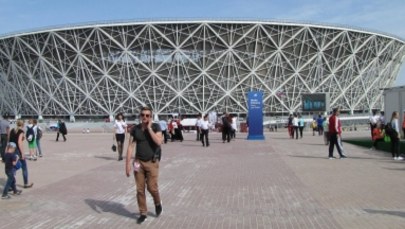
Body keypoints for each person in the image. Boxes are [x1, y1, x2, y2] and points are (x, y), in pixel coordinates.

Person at [125, 107, 163, 224]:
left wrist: (149, 128)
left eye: (148, 115)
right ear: (140, 116)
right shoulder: (135, 129)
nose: (145, 117)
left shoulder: (156, 127)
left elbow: (158, 142)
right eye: (143, 115)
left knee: (152, 187)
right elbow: (131, 146)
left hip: (152, 162)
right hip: (138, 163)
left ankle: (157, 202)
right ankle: (143, 213)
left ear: (151, 117)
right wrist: (127, 164)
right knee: (140, 190)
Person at [9, 119, 34, 189]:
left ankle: (11, 184)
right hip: (18, 151)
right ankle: (25, 184)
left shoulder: (12, 130)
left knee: (13, 167)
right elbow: (19, 143)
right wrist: (22, 153)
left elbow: (9, 141)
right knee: (24, 168)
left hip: (11, 150)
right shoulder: (21, 131)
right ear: (23, 125)